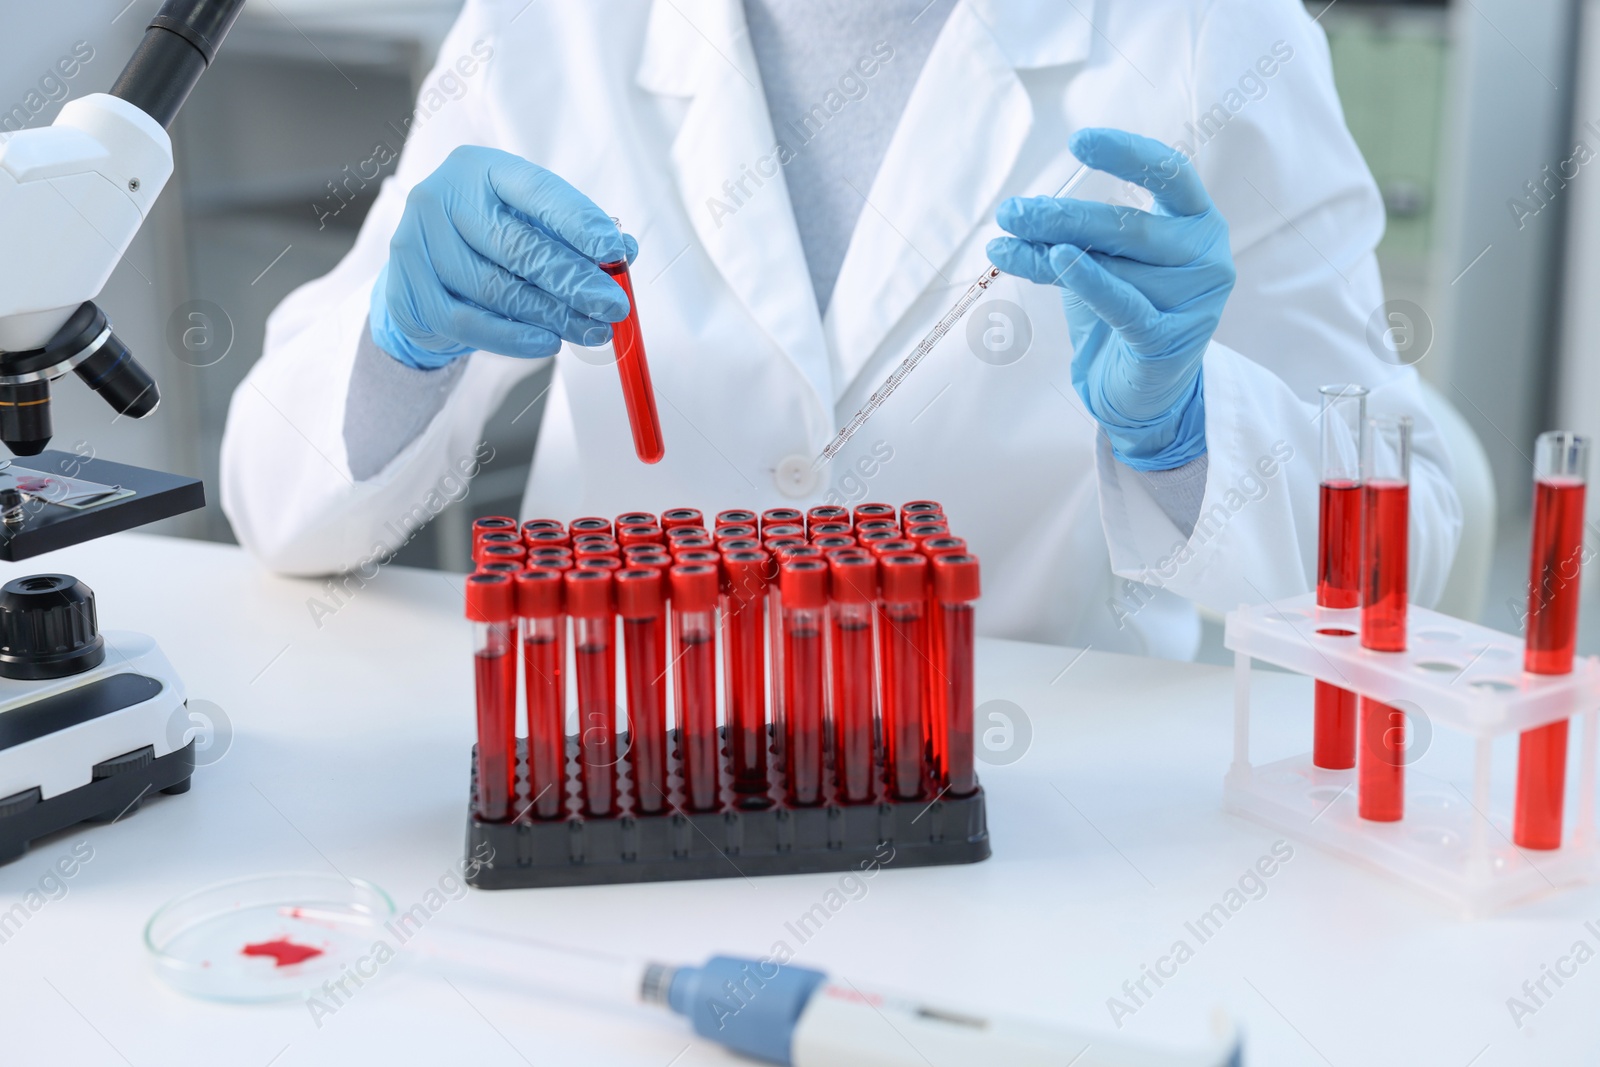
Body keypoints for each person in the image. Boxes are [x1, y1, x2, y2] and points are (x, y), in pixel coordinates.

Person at [220, 0, 1461, 659]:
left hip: (1036, 829)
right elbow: (277, 505)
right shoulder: (549, 25)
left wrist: (1185, 435)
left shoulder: (1205, 33)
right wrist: (399, 341)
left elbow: (1407, 536)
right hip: (609, 780)